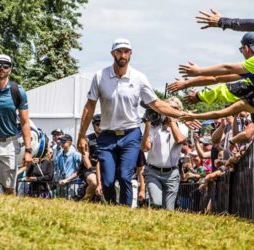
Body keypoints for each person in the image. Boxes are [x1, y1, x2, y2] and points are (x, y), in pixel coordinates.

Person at [77, 38, 199, 206]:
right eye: (119, 51)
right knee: (107, 180)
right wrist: (81, 135)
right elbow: (89, 106)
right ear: (113, 54)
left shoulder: (139, 78)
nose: (122, 55)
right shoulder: (100, 76)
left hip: (131, 135)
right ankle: (112, 209)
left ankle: (125, 211)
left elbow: (156, 104)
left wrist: (183, 115)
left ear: (131, 54)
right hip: (107, 135)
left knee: (126, 176)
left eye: (126, 52)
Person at [141, 97, 188, 210]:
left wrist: (171, 121)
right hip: (153, 172)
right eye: (168, 108)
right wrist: (147, 124)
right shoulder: (155, 126)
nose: (170, 110)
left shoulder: (183, 126)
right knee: (156, 204)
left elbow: (180, 140)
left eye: (174, 108)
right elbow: (145, 147)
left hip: (172, 174)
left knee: (169, 209)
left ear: (179, 110)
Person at [0, 54, 32, 194]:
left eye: (5, 66)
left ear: (10, 70)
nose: (1, 68)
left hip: (9, 145)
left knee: (9, 189)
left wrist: (28, 150)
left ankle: (10, 214)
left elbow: (24, 123)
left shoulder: (17, 92)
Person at [77, 114, 101, 200]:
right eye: (97, 124)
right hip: (90, 168)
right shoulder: (88, 139)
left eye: (102, 124)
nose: (100, 126)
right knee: (94, 183)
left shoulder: (108, 138)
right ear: (93, 125)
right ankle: (85, 201)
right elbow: (85, 156)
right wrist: (91, 168)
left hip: (104, 169)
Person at [55, 134, 82, 198]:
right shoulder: (59, 155)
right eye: (61, 141)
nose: (61, 143)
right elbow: (56, 169)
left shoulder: (76, 155)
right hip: (61, 183)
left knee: (72, 202)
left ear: (70, 142)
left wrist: (67, 180)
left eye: (63, 141)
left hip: (73, 183)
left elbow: (80, 171)